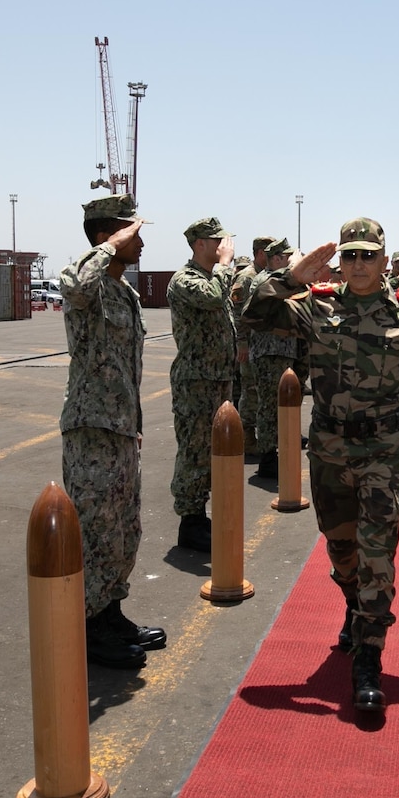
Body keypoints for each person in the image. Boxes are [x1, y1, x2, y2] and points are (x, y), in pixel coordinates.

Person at [244, 218, 399, 712]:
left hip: (383, 451)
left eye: (367, 255)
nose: (357, 264)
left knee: (378, 552)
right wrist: (292, 276)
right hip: (330, 447)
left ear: (382, 257)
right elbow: (251, 316)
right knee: (341, 548)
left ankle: (369, 658)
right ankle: (353, 603)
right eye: (349, 255)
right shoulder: (316, 304)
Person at [58, 194, 167, 669]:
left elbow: (128, 367)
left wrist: (136, 425)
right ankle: (87, 627)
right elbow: (78, 283)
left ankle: (111, 612)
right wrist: (108, 245)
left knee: (124, 529)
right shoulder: (85, 281)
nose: (141, 242)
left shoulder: (125, 292)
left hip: (120, 428)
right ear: (108, 238)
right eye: (132, 234)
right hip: (91, 428)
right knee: (96, 529)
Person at [167, 217, 238, 552]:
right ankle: (190, 522)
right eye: (217, 241)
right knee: (195, 451)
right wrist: (225, 265)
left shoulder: (213, 278)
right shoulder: (186, 279)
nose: (224, 246)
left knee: (213, 452)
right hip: (196, 381)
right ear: (199, 245)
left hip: (219, 377)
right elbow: (211, 298)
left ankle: (201, 516)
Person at [247, 237, 298, 478]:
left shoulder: (279, 279)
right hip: (269, 353)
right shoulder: (265, 279)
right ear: (277, 259)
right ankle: (268, 458)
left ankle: (276, 452)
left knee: (280, 407)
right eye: (286, 257)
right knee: (269, 407)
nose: (289, 261)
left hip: (281, 351)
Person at [231, 237, 276, 458]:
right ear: (260, 252)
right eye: (271, 252)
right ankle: (247, 438)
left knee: (257, 389)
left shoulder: (261, 275)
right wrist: (242, 343)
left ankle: (255, 434)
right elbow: (238, 313)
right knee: (249, 389)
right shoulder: (247, 277)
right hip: (248, 344)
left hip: (258, 344)